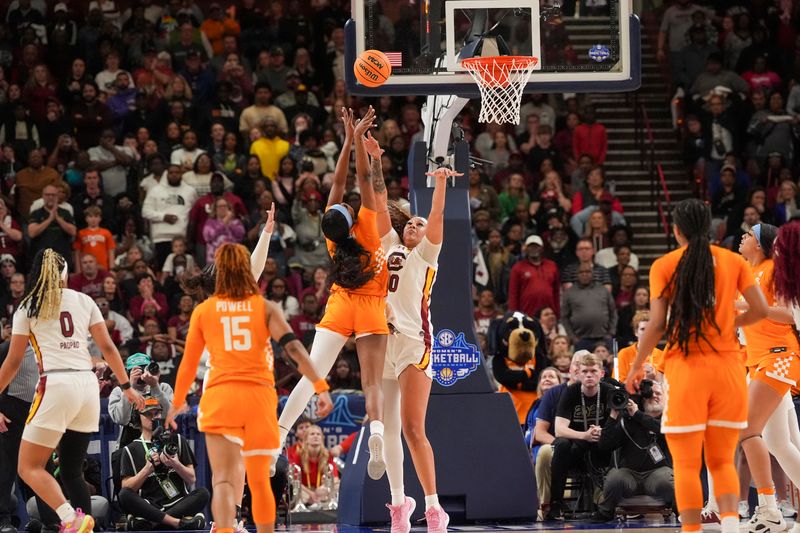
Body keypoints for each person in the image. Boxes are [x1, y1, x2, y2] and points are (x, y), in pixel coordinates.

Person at [166, 243, 332, 533]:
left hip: (221, 398)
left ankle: (225, 529)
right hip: (258, 399)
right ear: (246, 271)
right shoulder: (264, 307)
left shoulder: (205, 311)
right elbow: (293, 348)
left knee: (223, 481)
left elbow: (188, 364)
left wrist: (177, 401)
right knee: (257, 481)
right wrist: (321, 385)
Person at [626, 198, 769, 533]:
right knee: (722, 461)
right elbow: (761, 311)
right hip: (729, 372)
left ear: (676, 231)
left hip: (687, 370)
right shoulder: (734, 261)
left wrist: (635, 366)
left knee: (688, 466)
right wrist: (732, 320)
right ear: (710, 228)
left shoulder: (664, 265)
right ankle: (732, 527)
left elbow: (658, 324)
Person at [274, 108, 389, 480]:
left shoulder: (332, 237)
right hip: (371, 306)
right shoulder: (369, 227)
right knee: (371, 382)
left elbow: (338, 183)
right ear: (350, 215)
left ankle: (278, 436)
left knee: (311, 375)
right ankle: (376, 433)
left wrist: (347, 139)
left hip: (340, 304)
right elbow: (359, 177)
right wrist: (356, 138)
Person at [0, 248, 144, 533]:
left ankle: (70, 518)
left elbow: (14, 360)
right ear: (65, 274)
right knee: (70, 469)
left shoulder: (28, 306)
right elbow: (108, 348)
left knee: (28, 467)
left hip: (56, 384)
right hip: (87, 387)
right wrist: (126, 386)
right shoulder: (85, 300)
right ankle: (85, 527)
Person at [366, 137, 458, 530]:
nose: (415, 226)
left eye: (420, 225)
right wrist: (374, 160)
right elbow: (379, 196)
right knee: (387, 429)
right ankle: (398, 504)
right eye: (412, 223)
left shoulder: (427, 255)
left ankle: (434, 506)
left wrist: (439, 183)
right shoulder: (389, 244)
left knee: (413, 429)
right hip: (381, 341)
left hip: (413, 342)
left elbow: (437, 216)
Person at [736, 223, 800, 533]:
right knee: (780, 443)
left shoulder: (773, 270)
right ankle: (771, 511)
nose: (742, 237)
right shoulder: (746, 277)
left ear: (760, 244)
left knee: (747, 431)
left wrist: (747, 305)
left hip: (778, 356)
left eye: (748, 234)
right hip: (758, 361)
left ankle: (769, 510)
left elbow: (789, 316)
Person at [118, 397, 208, 531]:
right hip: (149, 504)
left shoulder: (177, 440)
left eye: (157, 413)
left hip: (178, 501)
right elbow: (126, 487)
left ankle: (150, 524)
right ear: (138, 417)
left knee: (203, 493)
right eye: (149, 414)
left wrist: (176, 464)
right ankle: (179, 522)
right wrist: (147, 470)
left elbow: (191, 478)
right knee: (124, 495)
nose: (154, 418)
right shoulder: (130, 449)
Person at [546, 352, 614, 521]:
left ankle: (605, 503)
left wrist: (602, 432)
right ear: (578, 373)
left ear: (602, 373)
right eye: (584, 371)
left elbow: (620, 426)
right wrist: (584, 435)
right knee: (561, 444)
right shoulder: (571, 392)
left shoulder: (609, 391)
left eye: (593, 371)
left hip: (601, 446)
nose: (589, 375)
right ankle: (556, 504)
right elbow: (559, 430)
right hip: (576, 447)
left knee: (609, 443)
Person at [594, 381, 673, 522]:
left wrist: (638, 415)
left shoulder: (668, 418)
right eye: (650, 393)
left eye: (658, 393)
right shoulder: (628, 421)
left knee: (670, 481)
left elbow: (662, 430)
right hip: (629, 474)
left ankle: (681, 512)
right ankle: (605, 511)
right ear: (642, 398)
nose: (654, 396)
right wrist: (613, 415)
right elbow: (604, 445)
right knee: (614, 478)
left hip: (657, 472)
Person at [0, 343, 38, 533]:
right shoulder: (9, 348)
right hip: (10, 409)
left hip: (36, 410)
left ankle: (38, 517)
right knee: (5, 468)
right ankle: (2, 519)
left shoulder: (46, 345)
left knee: (34, 467)